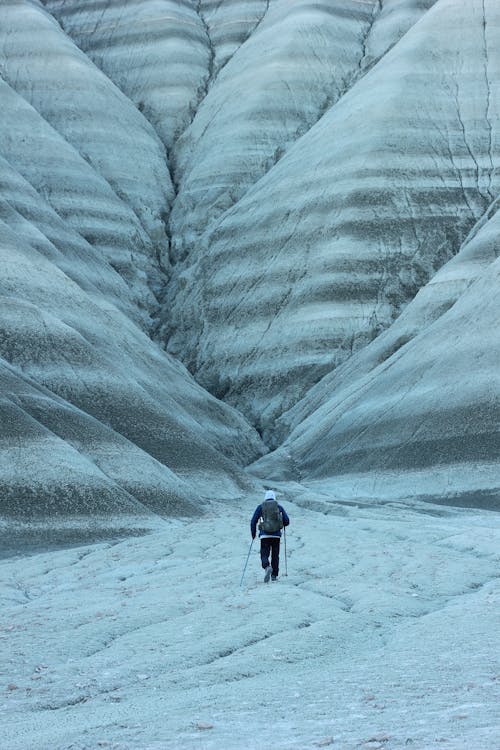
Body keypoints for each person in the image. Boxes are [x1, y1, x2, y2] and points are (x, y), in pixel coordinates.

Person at [250, 490, 290, 582]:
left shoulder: (260, 507)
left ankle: (267, 567)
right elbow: (287, 521)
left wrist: (253, 534)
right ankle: (274, 576)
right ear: (274, 498)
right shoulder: (279, 507)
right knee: (275, 555)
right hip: (276, 536)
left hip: (264, 536)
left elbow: (253, 521)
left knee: (264, 554)